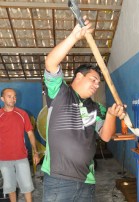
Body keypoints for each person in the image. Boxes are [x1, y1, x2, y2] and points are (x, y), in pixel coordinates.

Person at [41, 17, 126, 202]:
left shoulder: (95, 108)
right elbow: (50, 64)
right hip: (59, 180)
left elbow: (105, 136)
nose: (96, 85)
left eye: (98, 82)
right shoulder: (60, 93)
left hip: (87, 181)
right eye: (93, 80)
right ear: (79, 76)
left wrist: (111, 115)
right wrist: (74, 36)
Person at [0, 88, 40, 202]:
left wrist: (35, 152)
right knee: (10, 187)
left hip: (21, 157)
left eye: (14, 96)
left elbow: (30, 134)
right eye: (9, 96)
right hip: (4, 158)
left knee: (27, 187)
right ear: (2, 99)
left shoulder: (22, 114)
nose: (13, 99)